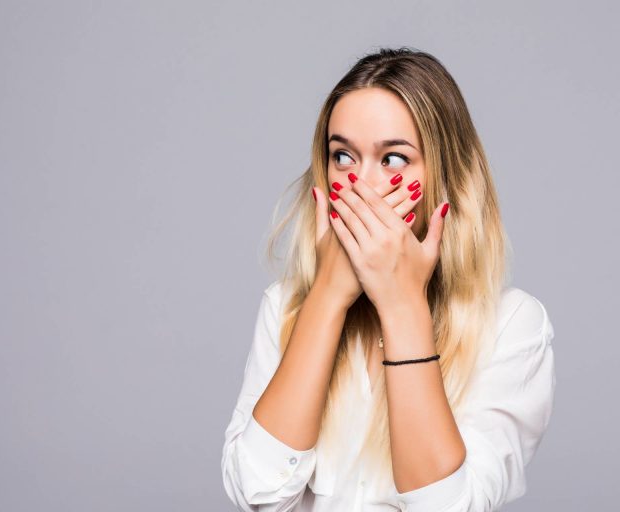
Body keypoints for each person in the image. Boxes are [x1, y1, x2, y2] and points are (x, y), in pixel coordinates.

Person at [220, 47, 556, 512]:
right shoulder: (287, 306)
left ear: (447, 177)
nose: (361, 186)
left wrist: (402, 306)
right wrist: (329, 296)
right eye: (342, 156)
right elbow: (256, 492)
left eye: (394, 160)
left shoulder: (512, 326)